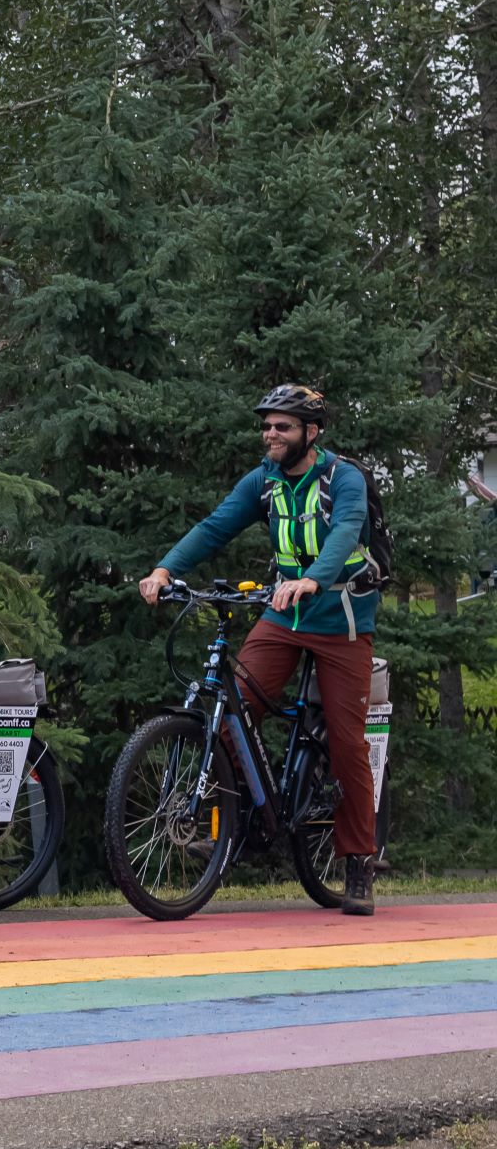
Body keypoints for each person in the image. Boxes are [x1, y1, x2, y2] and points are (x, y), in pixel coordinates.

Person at [137, 383, 379, 916]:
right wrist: (165, 568)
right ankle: (242, 820)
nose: (271, 434)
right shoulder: (264, 480)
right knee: (231, 710)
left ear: (310, 433)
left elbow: (343, 535)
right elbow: (215, 527)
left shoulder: (345, 478)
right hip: (283, 612)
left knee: (345, 740)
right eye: (267, 425)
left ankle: (359, 858)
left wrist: (314, 579)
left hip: (340, 619)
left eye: (283, 426)